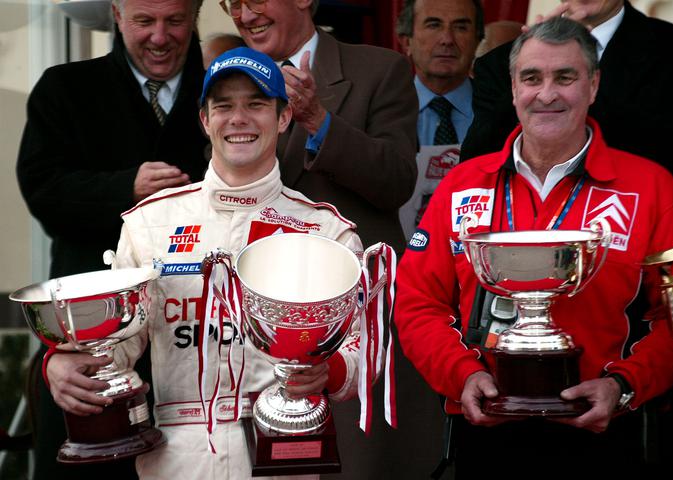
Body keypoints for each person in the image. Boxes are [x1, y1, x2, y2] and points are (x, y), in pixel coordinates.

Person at [44, 46, 364, 480]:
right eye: (224, 106)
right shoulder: (149, 222)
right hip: (174, 459)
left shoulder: (325, 230)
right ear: (204, 120)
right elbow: (116, 342)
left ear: (283, 117)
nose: (239, 119)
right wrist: (65, 363)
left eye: (256, 104)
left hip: (285, 454)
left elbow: (360, 350)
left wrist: (329, 369)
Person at [395, 17, 673, 479]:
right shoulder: (462, 185)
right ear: (512, 89)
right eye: (532, 78)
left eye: (565, 77)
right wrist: (462, 375)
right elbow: (416, 302)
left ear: (593, 85)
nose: (546, 94)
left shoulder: (652, 188)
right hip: (485, 431)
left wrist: (624, 386)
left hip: (606, 435)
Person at [15, 0, 209, 477]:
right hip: (91, 348)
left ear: (197, 16)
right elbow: (43, 191)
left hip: (201, 347)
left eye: (175, 21)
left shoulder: (227, 88)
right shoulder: (64, 89)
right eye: (144, 21)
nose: (160, 36)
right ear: (117, 17)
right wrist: (124, 188)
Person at [225, 0, 418, 253]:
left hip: (350, 273)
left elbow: (397, 182)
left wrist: (318, 121)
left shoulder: (380, 69)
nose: (246, 16)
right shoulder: (224, 80)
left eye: (257, 1)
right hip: (256, 271)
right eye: (234, 4)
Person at [461, 0, 673, 180]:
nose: (548, 95)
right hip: (527, 222)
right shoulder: (499, 63)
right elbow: (477, 163)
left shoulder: (672, 49)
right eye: (531, 78)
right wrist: (531, 68)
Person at [395, 0, 483, 237]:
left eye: (461, 27)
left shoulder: (499, 113)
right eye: (433, 25)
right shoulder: (382, 111)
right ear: (406, 41)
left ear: (477, 41)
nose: (447, 39)